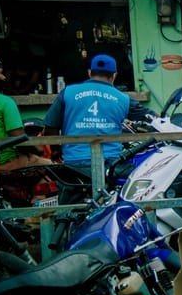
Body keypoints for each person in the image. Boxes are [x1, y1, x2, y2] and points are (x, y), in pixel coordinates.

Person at [44, 54, 152, 202]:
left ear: (89, 72)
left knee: (69, 211)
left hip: (75, 164)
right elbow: (153, 118)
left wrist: (56, 150)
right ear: (114, 75)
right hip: (110, 163)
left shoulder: (68, 93)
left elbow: (50, 126)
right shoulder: (123, 99)